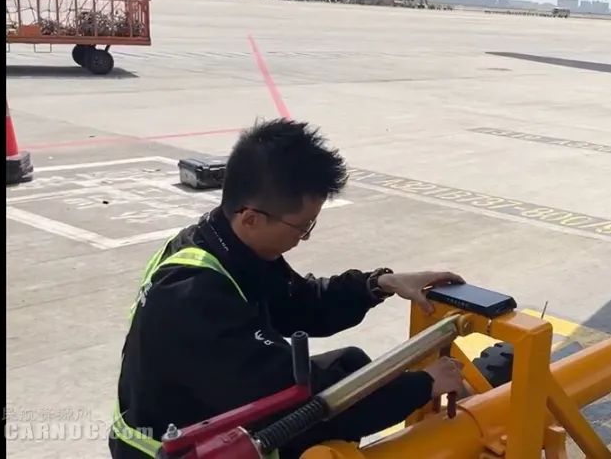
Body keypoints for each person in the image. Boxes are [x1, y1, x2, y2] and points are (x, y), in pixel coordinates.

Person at [109, 118, 467, 459]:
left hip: (209, 404)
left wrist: (378, 284)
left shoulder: (225, 245)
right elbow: (295, 401)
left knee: (350, 365)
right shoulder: (192, 299)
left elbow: (299, 302)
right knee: (337, 400)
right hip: (168, 451)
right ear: (251, 218)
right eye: (302, 227)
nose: (304, 238)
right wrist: (423, 385)